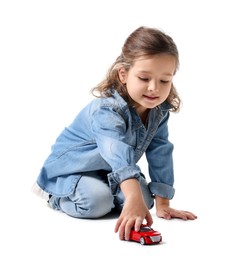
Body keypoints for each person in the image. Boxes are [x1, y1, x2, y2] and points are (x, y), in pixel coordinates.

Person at [32, 26, 197, 241]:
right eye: (144, 78)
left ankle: (113, 192)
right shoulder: (107, 109)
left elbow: (160, 150)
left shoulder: (159, 110)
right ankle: (54, 194)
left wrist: (163, 203)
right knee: (96, 203)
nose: (154, 88)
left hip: (109, 171)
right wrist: (131, 195)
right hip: (74, 169)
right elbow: (116, 152)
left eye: (164, 80)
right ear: (123, 74)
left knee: (144, 201)